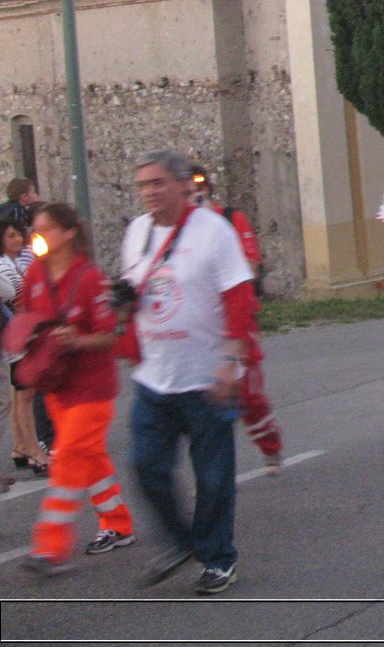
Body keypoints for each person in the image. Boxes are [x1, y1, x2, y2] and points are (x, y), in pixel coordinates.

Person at [120, 148, 256, 595]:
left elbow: (239, 297)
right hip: (155, 377)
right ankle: (181, 542)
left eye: (157, 183)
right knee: (145, 466)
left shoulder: (213, 231)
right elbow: (136, 292)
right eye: (142, 185)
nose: (149, 192)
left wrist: (230, 360)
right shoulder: (137, 232)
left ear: (183, 185)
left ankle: (218, 559)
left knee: (213, 477)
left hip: (206, 378)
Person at [18, 203, 135, 573]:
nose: (38, 236)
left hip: (92, 388)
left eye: (47, 229)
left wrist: (77, 340)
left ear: (68, 233)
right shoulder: (35, 273)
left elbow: (108, 337)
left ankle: (50, 545)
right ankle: (117, 524)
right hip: (58, 384)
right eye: (35, 230)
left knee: (67, 456)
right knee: (88, 456)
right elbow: (27, 318)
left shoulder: (89, 278)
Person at [191, 170, 282, 473]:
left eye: (198, 190)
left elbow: (251, 268)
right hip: (199, 325)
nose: (194, 196)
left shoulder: (230, 219)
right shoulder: (173, 234)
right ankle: (212, 468)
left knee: (249, 396)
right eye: (188, 191)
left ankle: (270, 445)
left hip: (233, 318)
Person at [4, 215, 48, 480]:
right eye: (10, 235)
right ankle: (34, 450)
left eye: (18, 234)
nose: (17, 239)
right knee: (24, 395)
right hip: (16, 334)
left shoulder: (21, 260)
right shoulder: (4, 266)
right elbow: (15, 296)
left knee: (20, 393)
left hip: (18, 332)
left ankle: (21, 447)